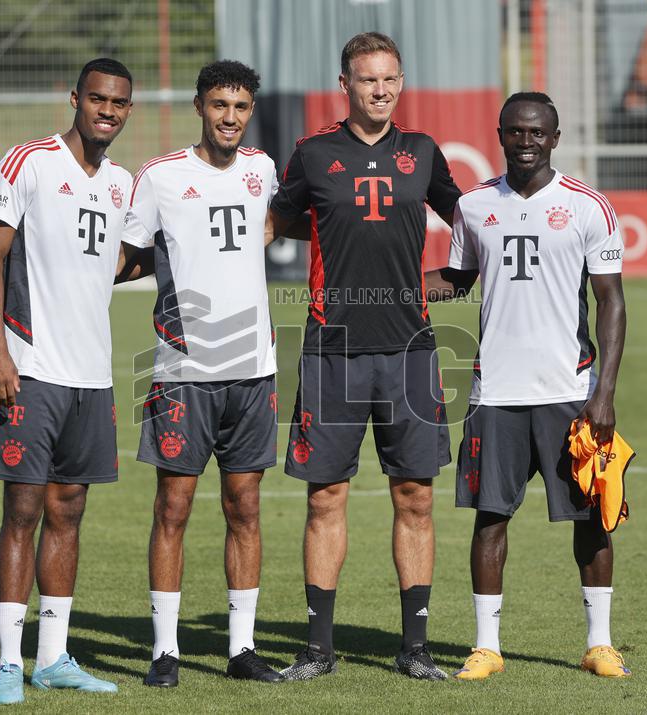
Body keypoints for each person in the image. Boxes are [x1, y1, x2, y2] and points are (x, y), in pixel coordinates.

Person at [270, 32, 461, 681]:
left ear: (400, 83)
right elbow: (275, 221)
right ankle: (318, 649)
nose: (379, 90)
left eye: (389, 79)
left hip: (411, 350)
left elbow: (470, 226)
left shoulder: (423, 152)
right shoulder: (313, 153)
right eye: (367, 79)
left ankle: (416, 647)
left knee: (416, 497)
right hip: (333, 348)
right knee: (326, 497)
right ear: (345, 85)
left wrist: (446, 283)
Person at [426, 91, 630, 680]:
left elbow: (612, 301)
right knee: (490, 518)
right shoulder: (473, 206)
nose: (526, 141)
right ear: (500, 135)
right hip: (496, 393)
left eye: (537, 132)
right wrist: (390, 286)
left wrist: (603, 392)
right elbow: (458, 279)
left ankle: (599, 644)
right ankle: (486, 647)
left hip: (570, 391)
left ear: (555, 139)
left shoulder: (589, 206)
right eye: (515, 131)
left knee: (592, 516)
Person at [0, 58, 133, 705]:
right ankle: (9, 663)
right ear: (75, 98)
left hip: (92, 375)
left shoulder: (122, 183)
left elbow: (114, 262)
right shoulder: (29, 163)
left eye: (118, 103)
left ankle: (52, 657)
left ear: (128, 110)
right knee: (23, 510)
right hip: (31, 368)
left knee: (69, 511)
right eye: (97, 99)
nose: (107, 111)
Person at [121, 60, 283, 687]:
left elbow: (276, 223)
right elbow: (127, 255)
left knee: (245, 507)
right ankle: (165, 650)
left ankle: (242, 648)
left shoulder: (263, 168)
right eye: (219, 105)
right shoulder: (160, 176)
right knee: (173, 507)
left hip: (253, 369)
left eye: (240, 107)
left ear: (250, 111)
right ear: (199, 107)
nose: (229, 117)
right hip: (181, 371)